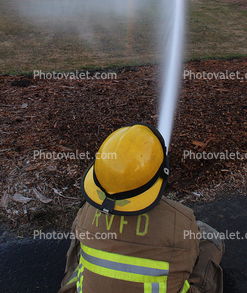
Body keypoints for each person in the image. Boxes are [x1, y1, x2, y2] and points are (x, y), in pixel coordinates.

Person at [58, 123, 224, 293]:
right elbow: (188, 261)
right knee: (210, 236)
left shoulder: (85, 213)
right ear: (162, 174)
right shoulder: (181, 221)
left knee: (78, 240)